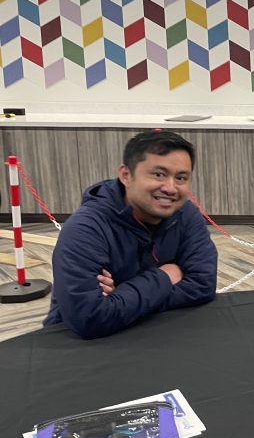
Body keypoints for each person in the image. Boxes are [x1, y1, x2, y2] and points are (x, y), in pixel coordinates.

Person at [43, 130, 218, 339]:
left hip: (159, 336)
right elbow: (89, 318)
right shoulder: (85, 229)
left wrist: (121, 297)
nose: (171, 188)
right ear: (126, 175)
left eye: (181, 178)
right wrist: (164, 276)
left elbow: (203, 284)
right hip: (79, 349)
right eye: (159, 174)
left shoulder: (186, 214)